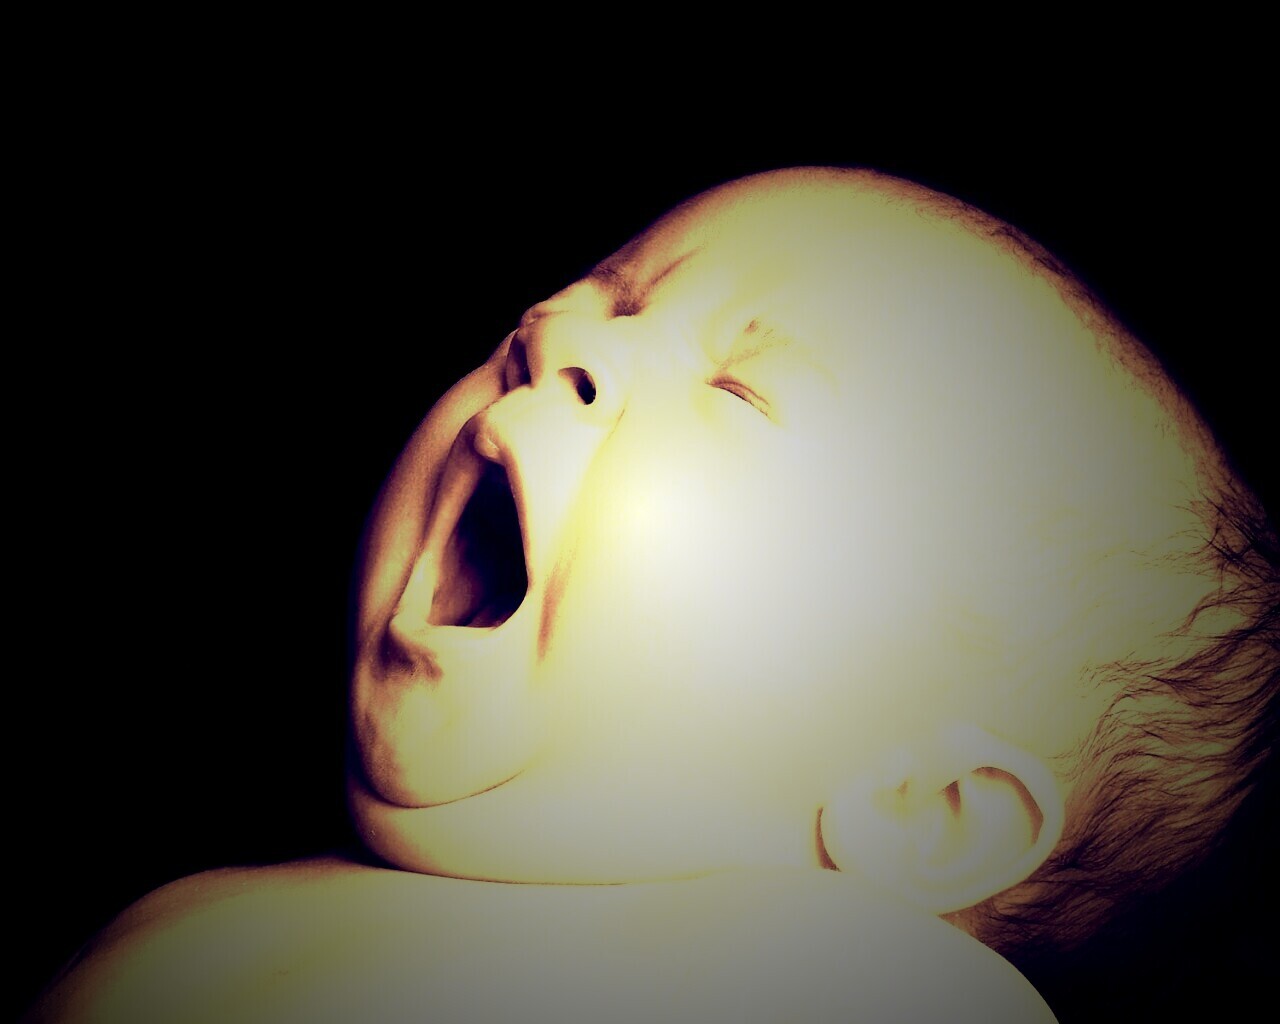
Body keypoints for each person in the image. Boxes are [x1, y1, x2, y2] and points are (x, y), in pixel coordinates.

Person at [27, 166, 1277, 1023]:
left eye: (736, 389)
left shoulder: (874, 979)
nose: (553, 329)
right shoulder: (211, 906)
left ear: (927, 811)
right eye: (608, 294)